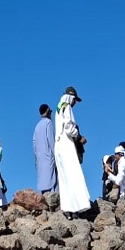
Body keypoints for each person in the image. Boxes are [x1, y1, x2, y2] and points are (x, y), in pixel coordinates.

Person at [55, 86, 91, 218]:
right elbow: (69, 127)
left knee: (64, 178)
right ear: (71, 97)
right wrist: (78, 136)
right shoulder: (67, 107)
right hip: (66, 145)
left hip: (58, 146)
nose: (75, 102)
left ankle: (68, 209)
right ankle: (76, 208)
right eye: (75, 99)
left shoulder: (58, 108)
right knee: (73, 175)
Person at [33, 103, 57, 193]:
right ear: (47, 111)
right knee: (52, 182)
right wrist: (57, 156)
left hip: (40, 160)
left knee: (43, 184)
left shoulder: (37, 126)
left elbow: (34, 145)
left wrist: (36, 160)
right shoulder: (48, 123)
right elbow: (52, 141)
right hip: (49, 158)